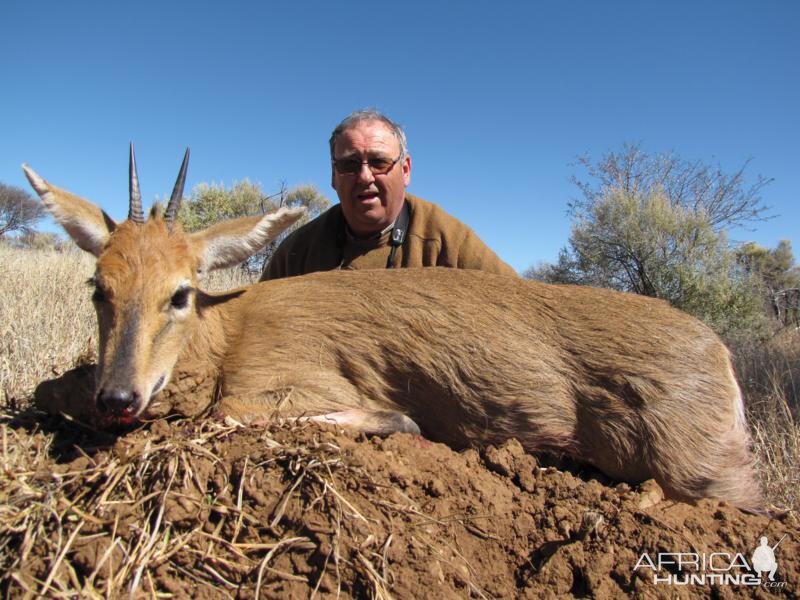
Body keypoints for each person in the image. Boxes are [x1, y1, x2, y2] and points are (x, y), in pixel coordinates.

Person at [260, 110, 516, 280]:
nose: (364, 176)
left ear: (405, 170)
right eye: (349, 165)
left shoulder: (450, 242)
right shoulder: (296, 253)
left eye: (379, 162)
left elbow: (521, 304)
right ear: (333, 176)